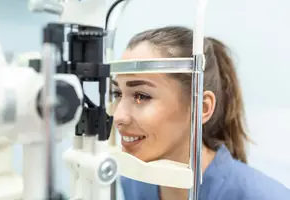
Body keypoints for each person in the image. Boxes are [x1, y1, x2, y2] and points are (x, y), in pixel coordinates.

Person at [111, 26, 290, 200]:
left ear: (201, 108)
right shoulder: (134, 183)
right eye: (117, 94)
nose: (118, 116)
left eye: (141, 96)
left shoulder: (265, 196)